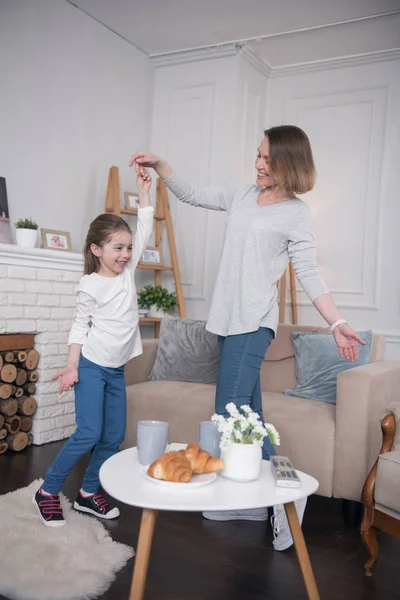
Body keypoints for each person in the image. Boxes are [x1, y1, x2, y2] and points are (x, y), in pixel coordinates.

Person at [130, 125, 366, 552]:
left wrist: (336, 323)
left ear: (289, 164)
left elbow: (309, 273)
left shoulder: (296, 213)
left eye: (267, 159)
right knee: (250, 414)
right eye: (257, 155)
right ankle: (279, 497)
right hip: (225, 319)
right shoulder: (241, 196)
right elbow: (192, 194)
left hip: (254, 324)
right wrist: (162, 167)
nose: (257, 164)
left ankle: (271, 502)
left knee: (228, 411)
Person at [33, 167, 154, 527]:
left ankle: (88, 492)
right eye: (118, 248)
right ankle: (48, 490)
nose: (126, 254)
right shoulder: (90, 285)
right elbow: (78, 325)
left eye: (128, 248)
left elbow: (145, 226)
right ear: (97, 250)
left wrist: (145, 192)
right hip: (91, 366)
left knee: (113, 435)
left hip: (115, 369)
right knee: (88, 432)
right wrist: (72, 365)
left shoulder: (128, 273)